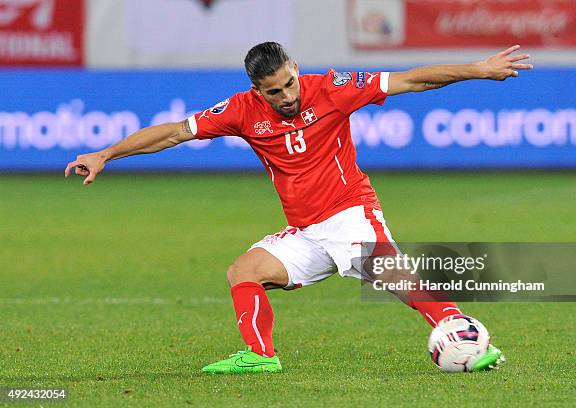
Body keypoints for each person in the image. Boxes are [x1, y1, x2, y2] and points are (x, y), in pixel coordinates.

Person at [65, 42, 532, 374]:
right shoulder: (240, 110)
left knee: (390, 273)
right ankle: (261, 357)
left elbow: (410, 79)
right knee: (243, 271)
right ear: (256, 89)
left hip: (349, 211)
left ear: (294, 67)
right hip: (306, 231)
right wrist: (106, 154)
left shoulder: (332, 88)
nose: (286, 96)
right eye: (274, 91)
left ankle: (462, 332)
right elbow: (172, 132)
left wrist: (478, 68)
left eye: (289, 84)